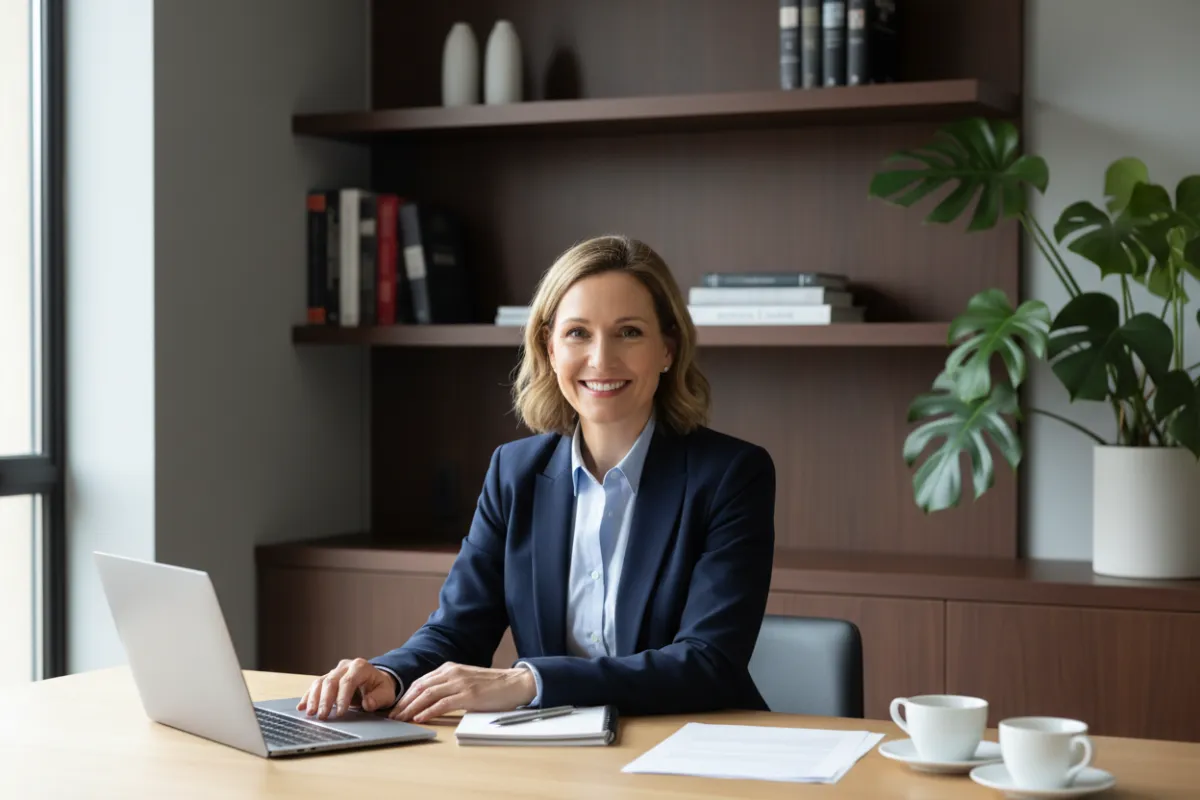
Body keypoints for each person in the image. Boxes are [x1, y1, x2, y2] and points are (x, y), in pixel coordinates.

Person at [298, 234, 776, 724]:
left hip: (690, 745)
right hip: (556, 746)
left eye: (629, 332)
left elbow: (708, 661)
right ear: (549, 348)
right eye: (577, 333)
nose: (601, 359)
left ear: (668, 349)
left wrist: (529, 681)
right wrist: (388, 675)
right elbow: (458, 630)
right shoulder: (515, 471)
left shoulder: (731, 476)